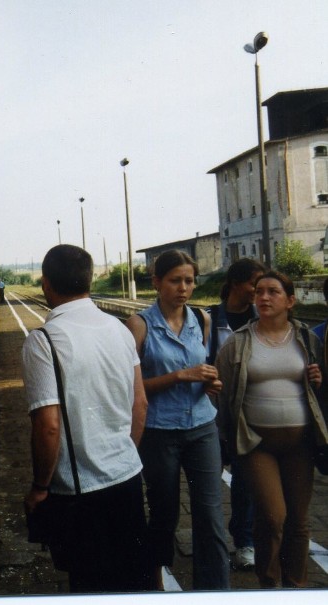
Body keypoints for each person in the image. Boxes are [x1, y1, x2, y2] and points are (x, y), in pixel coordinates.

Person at [22, 244, 153, 593]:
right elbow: (139, 405)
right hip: (126, 477)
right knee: (133, 582)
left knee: (90, 585)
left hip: (79, 492)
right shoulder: (120, 330)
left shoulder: (43, 340)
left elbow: (48, 426)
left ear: (46, 284)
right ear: (90, 280)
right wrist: (123, 453)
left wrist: (39, 487)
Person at [124, 250, 230, 590]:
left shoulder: (203, 319)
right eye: (174, 281)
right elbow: (131, 387)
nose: (183, 288)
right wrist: (180, 376)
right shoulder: (139, 326)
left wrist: (209, 382)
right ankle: (154, 586)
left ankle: (215, 591)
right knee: (164, 514)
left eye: (189, 280)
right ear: (156, 282)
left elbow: (202, 369)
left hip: (201, 427)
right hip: (159, 432)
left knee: (211, 516)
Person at [215, 271, 327, 588]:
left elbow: (320, 394)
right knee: (273, 516)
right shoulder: (238, 343)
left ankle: (296, 587)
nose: (263, 297)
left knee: (298, 522)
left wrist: (318, 382)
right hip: (256, 443)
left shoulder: (308, 340)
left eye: (273, 292)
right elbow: (223, 395)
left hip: (300, 443)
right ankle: (269, 584)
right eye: (259, 291)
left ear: (290, 301)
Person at [206, 258, 265, 570]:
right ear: (236, 284)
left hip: (248, 413)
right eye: (254, 285)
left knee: (245, 481)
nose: (259, 292)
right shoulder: (208, 318)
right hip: (212, 415)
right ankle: (211, 542)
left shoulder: (262, 319)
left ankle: (244, 542)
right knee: (208, 480)